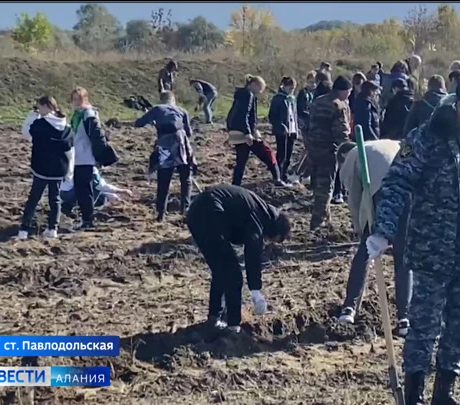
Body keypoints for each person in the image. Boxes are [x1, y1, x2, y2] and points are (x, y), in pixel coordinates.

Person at [367, 70, 460, 405]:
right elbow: (397, 183)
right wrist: (383, 230)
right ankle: (413, 394)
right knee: (423, 327)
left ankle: (444, 392)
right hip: (433, 251)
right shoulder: (427, 138)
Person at [186, 184, 291, 333]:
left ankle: (214, 318)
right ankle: (233, 326)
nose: (267, 241)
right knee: (233, 274)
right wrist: (255, 291)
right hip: (211, 212)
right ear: (275, 230)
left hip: (195, 213)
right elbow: (252, 254)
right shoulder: (260, 216)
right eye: (271, 239)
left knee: (221, 270)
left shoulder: (260, 210)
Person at [336, 140, 412, 337]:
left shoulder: (349, 160)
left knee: (365, 250)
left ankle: (349, 308)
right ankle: (405, 318)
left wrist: (363, 230)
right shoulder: (387, 144)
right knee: (403, 256)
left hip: (385, 192)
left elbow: (354, 200)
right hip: (410, 191)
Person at [17, 96, 73, 239]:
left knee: (34, 198)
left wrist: (31, 116)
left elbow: (26, 133)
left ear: (47, 107)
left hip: (42, 166)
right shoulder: (66, 127)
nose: (38, 110)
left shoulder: (40, 124)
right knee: (55, 198)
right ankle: (52, 228)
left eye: (39, 107)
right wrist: (70, 170)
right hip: (59, 168)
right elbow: (70, 150)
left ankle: (24, 229)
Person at [135, 91, 195, 221]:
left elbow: (139, 123)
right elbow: (189, 132)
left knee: (164, 179)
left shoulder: (157, 108)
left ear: (162, 100)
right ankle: (185, 210)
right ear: (174, 100)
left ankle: (161, 214)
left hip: (165, 145)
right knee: (186, 178)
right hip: (181, 146)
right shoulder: (182, 111)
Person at [305, 75, 352, 230]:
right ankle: (317, 223)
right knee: (325, 187)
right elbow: (341, 133)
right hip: (328, 150)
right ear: (343, 91)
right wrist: (347, 152)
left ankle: (327, 218)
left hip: (312, 147)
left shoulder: (317, 101)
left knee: (318, 183)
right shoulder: (339, 105)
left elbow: (307, 124)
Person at [70, 87, 118, 230]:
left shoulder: (88, 115)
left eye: (79, 99)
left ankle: (87, 220)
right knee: (82, 189)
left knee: (84, 190)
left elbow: (98, 138)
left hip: (85, 157)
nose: (76, 102)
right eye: (74, 99)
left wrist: (98, 157)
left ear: (85, 99)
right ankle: (86, 219)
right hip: (78, 156)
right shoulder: (78, 114)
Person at [227, 75, 288, 187]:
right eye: (260, 88)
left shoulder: (240, 95)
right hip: (245, 132)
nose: (260, 92)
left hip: (235, 131)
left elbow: (235, 115)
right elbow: (244, 115)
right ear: (254, 85)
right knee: (268, 154)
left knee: (241, 160)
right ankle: (277, 179)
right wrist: (248, 133)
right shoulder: (248, 95)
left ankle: (235, 185)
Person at [60, 167, 132, 214]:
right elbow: (102, 186)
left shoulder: (76, 162)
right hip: (72, 193)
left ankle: (69, 205)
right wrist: (122, 191)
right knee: (93, 189)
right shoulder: (92, 169)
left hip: (63, 192)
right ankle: (86, 211)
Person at [269, 76, 299, 184]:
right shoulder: (278, 98)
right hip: (282, 131)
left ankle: (285, 174)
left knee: (289, 154)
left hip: (292, 130)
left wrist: (296, 129)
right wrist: (281, 126)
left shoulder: (292, 98)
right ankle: (278, 175)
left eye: (294, 88)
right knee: (282, 154)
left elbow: (294, 114)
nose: (292, 90)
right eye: (290, 88)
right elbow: (272, 116)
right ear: (284, 86)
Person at [296, 71, 317, 137]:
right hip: (304, 117)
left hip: (313, 117)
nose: (313, 84)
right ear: (307, 81)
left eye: (315, 82)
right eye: (311, 82)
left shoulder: (316, 92)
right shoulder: (303, 92)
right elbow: (300, 107)